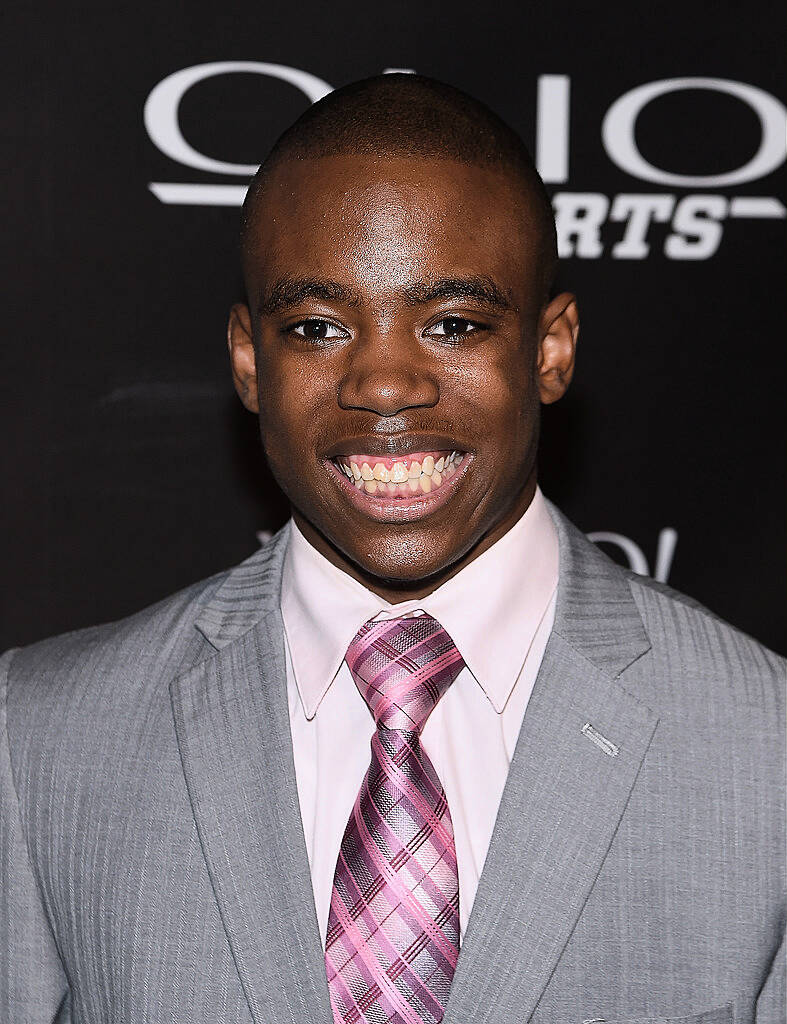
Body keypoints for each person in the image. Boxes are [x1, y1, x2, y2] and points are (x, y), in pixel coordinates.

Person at [1, 74, 783, 1024]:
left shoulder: (763, 746)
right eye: (318, 327)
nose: (382, 383)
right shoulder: (39, 737)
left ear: (550, 350)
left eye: (452, 324)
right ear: (249, 360)